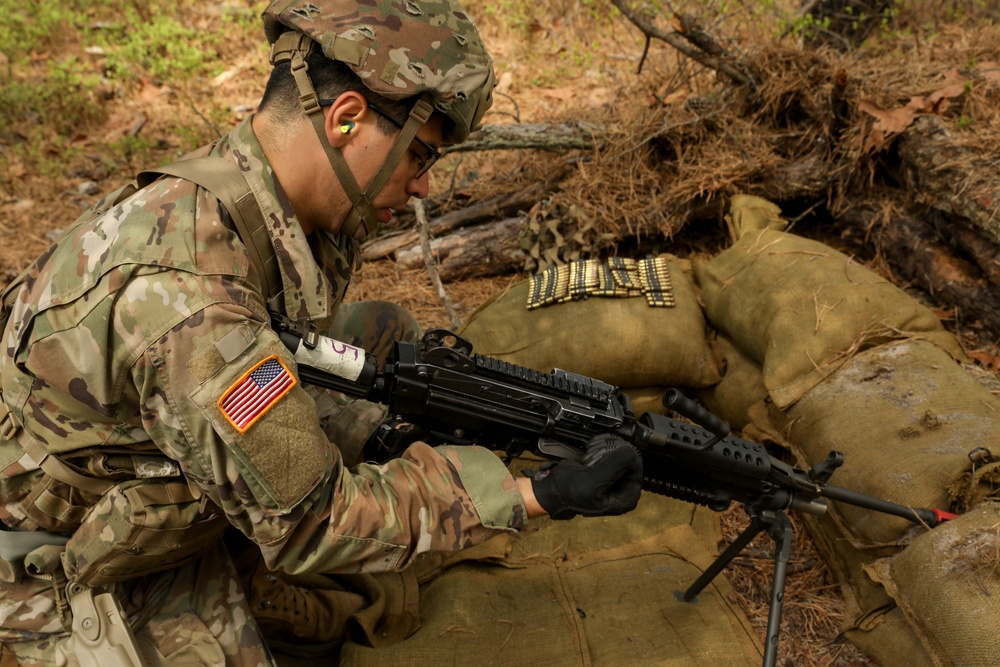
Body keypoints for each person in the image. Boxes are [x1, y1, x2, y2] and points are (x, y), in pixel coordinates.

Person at [0, 0, 642, 665]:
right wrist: (530, 493)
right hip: (70, 551)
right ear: (345, 120)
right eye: (419, 156)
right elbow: (312, 521)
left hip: (159, 451)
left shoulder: (252, 189)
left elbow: (285, 352)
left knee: (383, 336)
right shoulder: (192, 296)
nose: (423, 185)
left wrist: (384, 435)